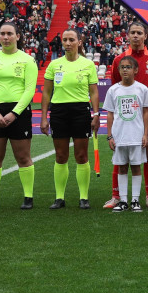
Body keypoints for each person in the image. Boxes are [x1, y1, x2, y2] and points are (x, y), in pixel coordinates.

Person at [104, 21, 148, 210]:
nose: (136, 36)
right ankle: (117, 196)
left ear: (145, 36)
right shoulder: (119, 59)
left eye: (140, 32)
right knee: (119, 151)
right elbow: (116, 86)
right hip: (124, 117)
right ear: (128, 36)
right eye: (133, 33)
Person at [41, 28, 99, 210]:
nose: (67, 43)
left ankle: (84, 197)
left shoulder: (88, 64)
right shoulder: (54, 65)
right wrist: (44, 117)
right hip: (58, 111)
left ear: (79, 42)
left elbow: (94, 92)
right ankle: (59, 198)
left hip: (81, 110)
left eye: (71, 39)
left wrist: (96, 114)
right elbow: (47, 92)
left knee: (81, 155)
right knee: (61, 155)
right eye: (65, 40)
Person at [0, 22, 37, 210]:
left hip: (19, 112)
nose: (6, 37)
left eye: (9, 34)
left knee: (23, 157)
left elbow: (30, 89)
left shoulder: (27, 60)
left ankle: (28, 197)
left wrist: (14, 113)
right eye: (2, 34)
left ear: (18, 36)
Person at [103, 56, 148, 212]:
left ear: (136, 70)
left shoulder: (142, 89)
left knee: (136, 167)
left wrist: (145, 134)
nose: (125, 69)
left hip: (136, 135)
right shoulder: (113, 90)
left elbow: (145, 113)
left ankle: (135, 200)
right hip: (119, 136)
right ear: (118, 70)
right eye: (122, 67)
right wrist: (110, 135)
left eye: (128, 67)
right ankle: (123, 200)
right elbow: (110, 114)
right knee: (122, 167)